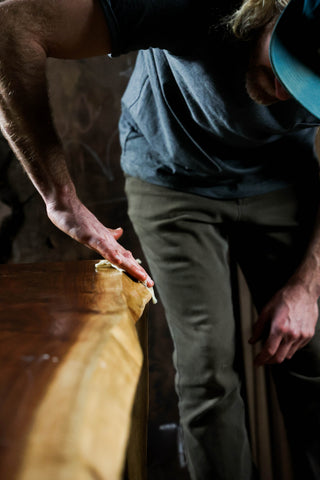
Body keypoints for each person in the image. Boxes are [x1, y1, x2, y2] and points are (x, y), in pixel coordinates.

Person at [0, 0, 320, 478]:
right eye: (286, 66)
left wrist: (309, 288)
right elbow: (12, 24)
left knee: (311, 361)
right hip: (172, 180)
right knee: (207, 371)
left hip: (282, 181)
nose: (282, 91)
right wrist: (59, 199)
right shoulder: (189, 5)